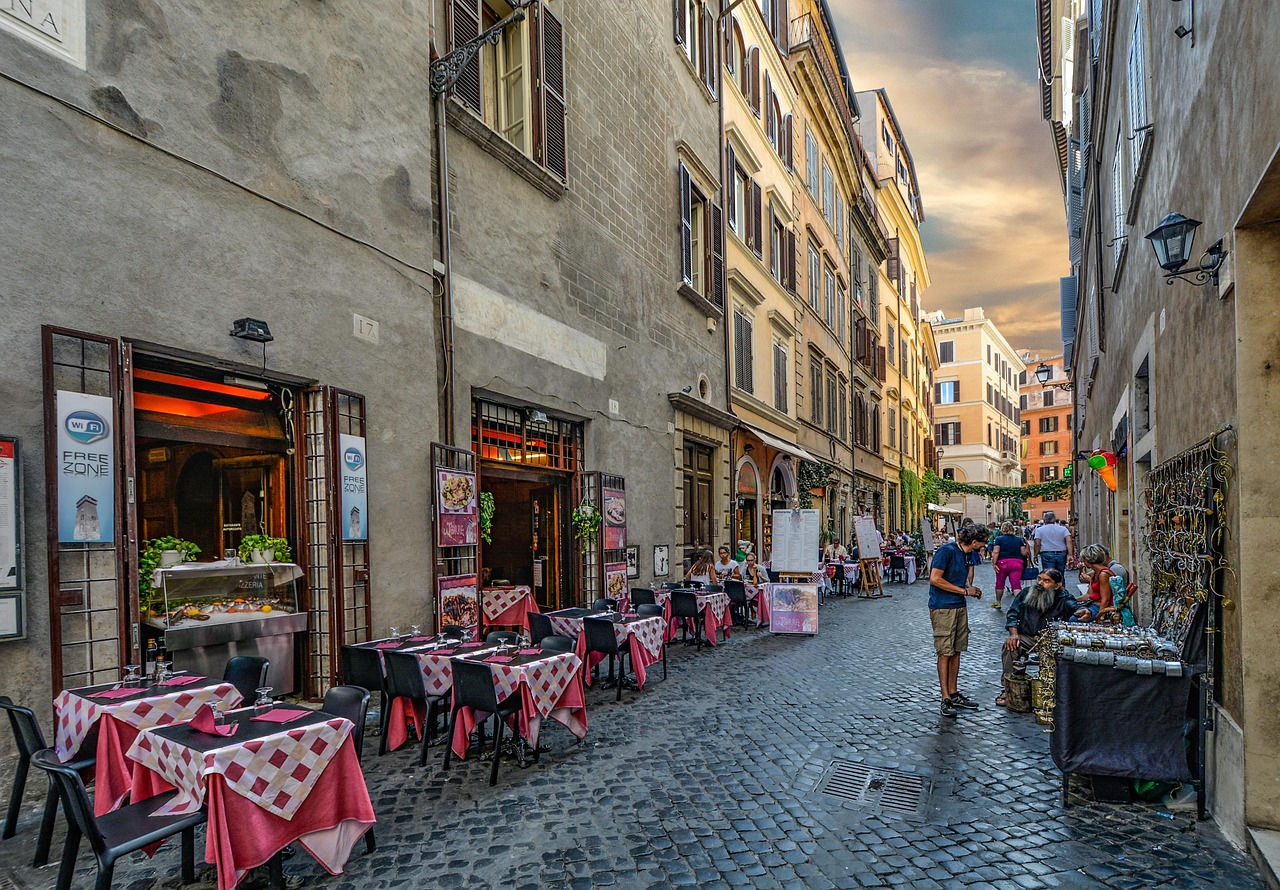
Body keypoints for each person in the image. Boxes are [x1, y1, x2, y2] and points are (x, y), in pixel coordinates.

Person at [997, 568, 1076, 707]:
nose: (1040, 583)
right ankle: (1008, 688)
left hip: (1051, 639)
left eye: (1046, 581)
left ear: (1057, 585)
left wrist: (1083, 611)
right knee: (1009, 647)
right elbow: (1013, 614)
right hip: (1027, 636)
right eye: (1039, 579)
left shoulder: (1063, 597)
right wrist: (1014, 634)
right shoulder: (1026, 593)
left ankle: (1053, 689)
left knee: (1061, 653)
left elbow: (1074, 607)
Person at [928, 525, 985, 718]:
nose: (984, 545)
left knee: (956, 650)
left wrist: (969, 588)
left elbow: (959, 580)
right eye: (983, 542)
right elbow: (935, 579)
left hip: (959, 606)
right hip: (943, 607)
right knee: (945, 652)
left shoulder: (965, 554)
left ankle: (953, 692)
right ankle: (945, 697)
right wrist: (964, 591)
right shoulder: (947, 551)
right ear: (975, 542)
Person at [989, 522, 1030, 610]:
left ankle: (998, 602)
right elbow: (1023, 553)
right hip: (1017, 563)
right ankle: (1019, 604)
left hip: (1002, 563)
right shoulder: (1019, 539)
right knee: (1016, 585)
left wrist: (994, 563)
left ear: (1003, 529)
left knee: (1000, 583)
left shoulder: (999, 539)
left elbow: (996, 552)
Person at [1072, 543, 1116, 621]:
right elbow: (1090, 594)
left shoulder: (1103, 574)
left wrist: (1099, 618)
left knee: (1073, 619)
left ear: (1087, 560)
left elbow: (1105, 600)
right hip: (1093, 604)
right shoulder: (1095, 573)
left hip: (1100, 607)